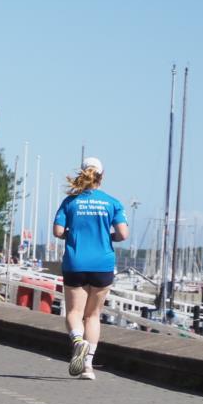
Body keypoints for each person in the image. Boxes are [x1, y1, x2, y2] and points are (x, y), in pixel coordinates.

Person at [52, 157, 128, 381]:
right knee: (93, 315)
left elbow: (57, 231)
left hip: (75, 262)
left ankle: (77, 341)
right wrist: (107, 236)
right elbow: (123, 234)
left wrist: (72, 234)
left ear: (82, 173)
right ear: (101, 176)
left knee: (74, 312)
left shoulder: (70, 202)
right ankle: (88, 367)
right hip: (102, 264)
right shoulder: (112, 202)